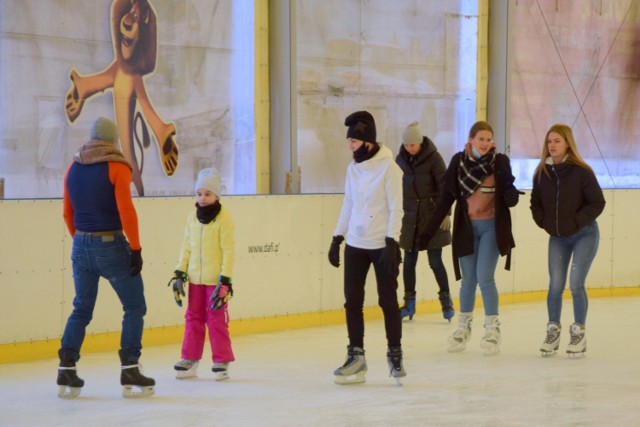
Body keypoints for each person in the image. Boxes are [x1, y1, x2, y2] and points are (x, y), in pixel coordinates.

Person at [58, 117, 155, 398]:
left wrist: (81, 238)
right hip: (111, 245)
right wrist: (135, 248)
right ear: (114, 140)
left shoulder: (72, 168)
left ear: (90, 138)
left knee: (81, 309)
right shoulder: (118, 165)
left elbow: (67, 213)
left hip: (81, 245)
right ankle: (130, 368)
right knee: (135, 306)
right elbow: (126, 211)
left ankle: (66, 369)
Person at [420, 121, 522, 356]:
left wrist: (510, 193)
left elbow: (509, 194)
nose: (485, 144)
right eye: (481, 139)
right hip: (467, 229)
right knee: (468, 280)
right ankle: (463, 327)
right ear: (471, 140)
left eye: (489, 139)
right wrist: (428, 232)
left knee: (485, 277)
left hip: (492, 228)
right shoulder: (459, 162)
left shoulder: (500, 162)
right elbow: (446, 199)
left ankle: (492, 328)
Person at [328, 110, 405, 384]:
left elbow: (397, 207)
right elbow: (348, 204)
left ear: (368, 142)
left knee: (388, 301)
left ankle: (394, 353)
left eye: (354, 141)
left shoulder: (390, 168)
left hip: (381, 245)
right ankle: (356, 356)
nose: (350, 146)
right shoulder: (353, 169)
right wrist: (338, 237)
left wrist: (393, 241)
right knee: (352, 302)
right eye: (349, 141)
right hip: (356, 244)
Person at [530, 124, 605, 357]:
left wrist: (576, 222)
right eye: (549, 141)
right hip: (558, 238)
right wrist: (545, 223)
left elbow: (597, 203)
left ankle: (578, 332)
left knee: (575, 283)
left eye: (556, 141)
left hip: (584, 234)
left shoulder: (582, 172)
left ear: (567, 143)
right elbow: (536, 203)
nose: (551, 145)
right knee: (555, 285)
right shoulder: (542, 172)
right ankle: (553, 331)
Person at [171, 167, 236, 380]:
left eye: (207, 194)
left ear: (217, 195)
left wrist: (225, 280)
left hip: (215, 282)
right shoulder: (192, 218)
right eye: (199, 193)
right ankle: (189, 358)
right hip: (195, 280)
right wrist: (180, 272)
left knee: (216, 320)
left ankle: (221, 360)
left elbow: (228, 250)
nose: (203, 198)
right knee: (193, 318)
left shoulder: (223, 219)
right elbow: (186, 247)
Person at [396, 121, 454, 322]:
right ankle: (409, 304)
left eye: (412, 144)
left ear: (420, 142)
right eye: (406, 145)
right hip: (410, 219)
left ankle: (446, 300)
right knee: (409, 261)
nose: (409, 148)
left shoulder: (434, 158)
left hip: (432, 217)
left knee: (435, 261)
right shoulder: (400, 160)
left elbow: (445, 186)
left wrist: (446, 213)